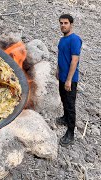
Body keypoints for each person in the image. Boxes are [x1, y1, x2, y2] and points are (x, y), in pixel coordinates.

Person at [56, 14, 82, 147]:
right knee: (63, 99)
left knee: (70, 105)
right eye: (61, 23)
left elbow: (74, 60)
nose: (63, 25)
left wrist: (69, 80)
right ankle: (65, 118)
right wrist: (58, 70)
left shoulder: (75, 39)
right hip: (62, 77)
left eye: (65, 23)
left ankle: (70, 133)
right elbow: (61, 56)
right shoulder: (62, 40)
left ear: (71, 24)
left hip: (70, 79)